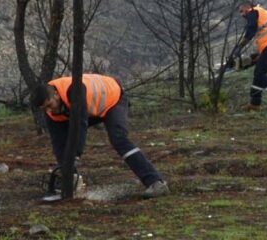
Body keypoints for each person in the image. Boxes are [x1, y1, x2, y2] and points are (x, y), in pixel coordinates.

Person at [31, 73, 168, 199]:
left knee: (118, 138)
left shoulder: (74, 91)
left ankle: (156, 183)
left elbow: (80, 124)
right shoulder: (50, 111)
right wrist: (66, 168)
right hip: (91, 108)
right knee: (62, 143)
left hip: (113, 99)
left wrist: (76, 154)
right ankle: (71, 184)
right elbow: (58, 142)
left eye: (50, 105)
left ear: (56, 94)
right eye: (45, 109)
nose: (49, 111)